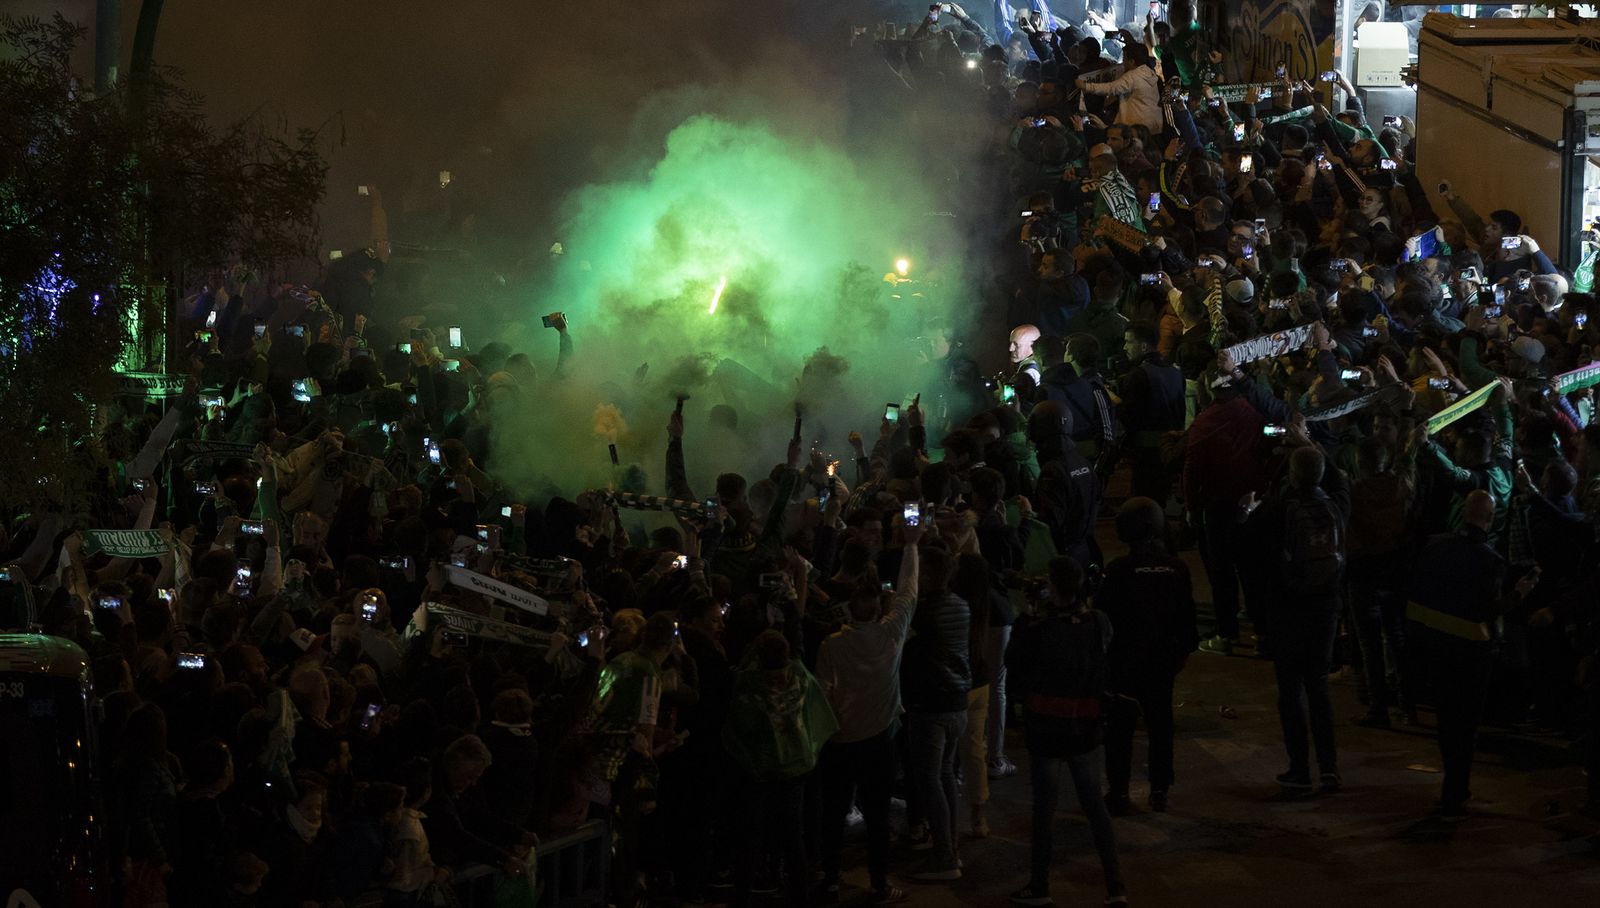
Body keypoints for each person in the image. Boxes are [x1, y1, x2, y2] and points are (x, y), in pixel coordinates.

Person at [1408, 490, 1540, 820]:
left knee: (1445, 720)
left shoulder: (1434, 545)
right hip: (1471, 656)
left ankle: (1453, 786)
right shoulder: (1491, 561)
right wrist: (1519, 594)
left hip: (1434, 648)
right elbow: (1488, 609)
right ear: (1490, 519)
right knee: (1465, 727)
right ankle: (1455, 791)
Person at [1006, 556, 1126, 907]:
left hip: (1046, 727)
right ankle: (1115, 885)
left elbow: (1014, 663)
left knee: (1044, 810)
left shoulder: (1035, 627)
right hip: (1085, 725)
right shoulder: (1097, 622)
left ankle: (1040, 884)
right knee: (1095, 808)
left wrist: (1030, 614)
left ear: (1052, 587)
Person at [815, 518, 922, 904]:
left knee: (833, 814)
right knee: (877, 817)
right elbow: (909, 591)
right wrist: (911, 545)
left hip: (840, 742)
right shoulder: (892, 635)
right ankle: (878, 884)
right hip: (878, 742)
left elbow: (824, 695)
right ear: (878, 604)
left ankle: (829, 879)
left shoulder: (831, 646)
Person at [1243, 443, 1351, 793]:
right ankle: (1330, 768)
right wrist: (1314, 443)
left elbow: (1251, 556)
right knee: (1319, 688)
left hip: (1287, 609)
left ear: (1291, 474)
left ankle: (1300, 768)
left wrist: (1246, 514)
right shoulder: (1336, 506)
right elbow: (1340, 481)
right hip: (1326, 608)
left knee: (1291, 691)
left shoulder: (1275, 512)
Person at [722, 629, 839, 907]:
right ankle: (800, 895)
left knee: (749, 835)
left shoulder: (749, 685)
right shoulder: (800, 677)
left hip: (759, 771)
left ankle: (742, 895)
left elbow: (738, 726)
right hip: (796, 768)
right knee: (792, 835)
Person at [1098, 497, 1197, 814]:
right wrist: (1179, 655)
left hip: (1126, 663)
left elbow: (1103, 621)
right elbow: (1188, 621)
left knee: (1120, 729)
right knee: (1161, 723)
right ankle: (1159, 790)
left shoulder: (1119, 571)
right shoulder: (1177, 569)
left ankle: (1119, 792)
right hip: (1162, 661)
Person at [899, 543, 971, 882]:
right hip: (958, 701)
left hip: (930, 704)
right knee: (944, 776)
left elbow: (904, 644)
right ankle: (951, 845)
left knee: (930, 780)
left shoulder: (922, 613)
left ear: (925, 575)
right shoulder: (962, 606)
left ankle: (945, 857)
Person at [1115, 322, 1184, 508]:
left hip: (1146, 452)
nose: (1124, 347)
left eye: (1129, 342)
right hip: (1170, 449)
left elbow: (1129, 416)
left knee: (1144, 501)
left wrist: (1114, 402)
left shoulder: (1138, 375)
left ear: (1144, 346)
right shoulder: (1175, 372)